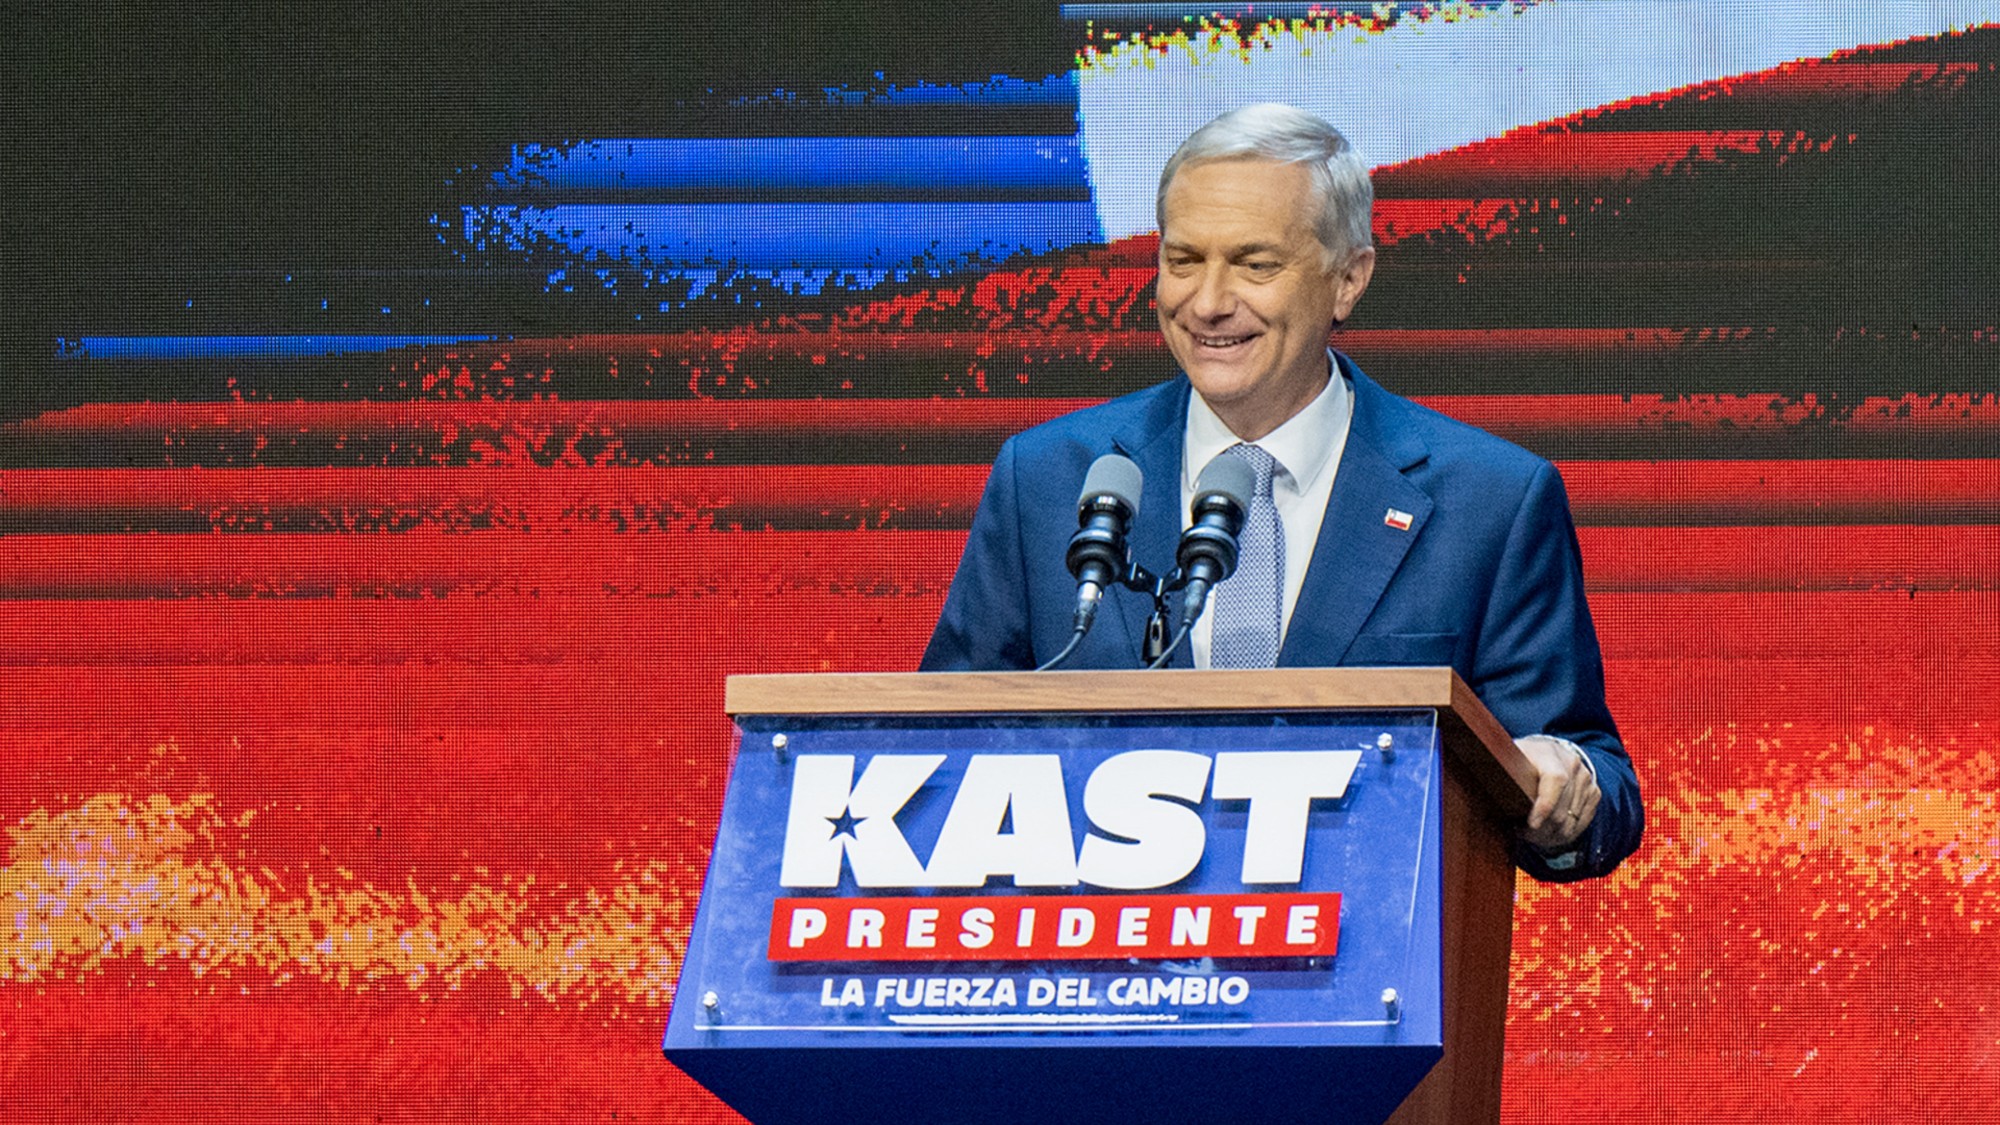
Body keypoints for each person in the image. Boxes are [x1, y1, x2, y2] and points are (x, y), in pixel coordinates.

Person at [920, 104, 1641, 881]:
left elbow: (1593, 787)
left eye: (1255, 264)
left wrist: (1561, 777)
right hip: (1098, 973)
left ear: (1348, 280)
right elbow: (923, 753)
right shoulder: (1053, 475)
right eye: (1184, 260)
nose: (1207, 302)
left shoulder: (1490, 500)